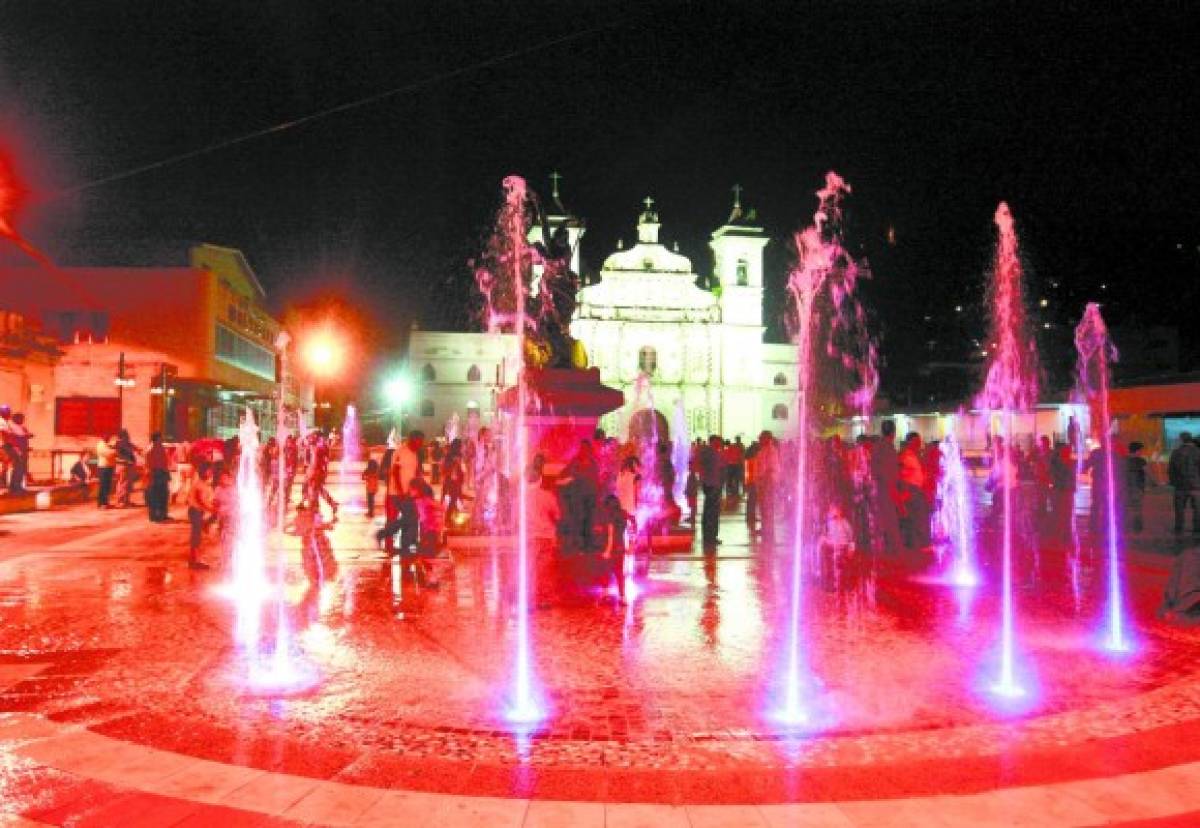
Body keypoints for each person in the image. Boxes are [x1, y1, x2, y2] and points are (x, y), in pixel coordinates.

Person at [560, 439, 600, 551]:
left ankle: (587, 544)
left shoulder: (592, 462)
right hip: (578, 497)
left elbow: (596, 478)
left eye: (587, 448)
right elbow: (566, 473)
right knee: (579, 520)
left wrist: (597, 493)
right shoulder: (576, 461)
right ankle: (579, 544)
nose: (585, 450)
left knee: (589, 520)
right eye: (583, 448)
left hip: (590, 497)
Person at [871, 420, 903, 553]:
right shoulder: (887, 447)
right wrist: (893, 489)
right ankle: (894, 549)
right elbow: (887, 471)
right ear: (893, 432)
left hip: (881, 486)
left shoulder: (879, 446)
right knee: (890, 518)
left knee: (883, 518)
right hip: (886, 487)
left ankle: (885, 548)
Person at [897, 432, 930, 552]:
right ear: (910, 441)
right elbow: (899, 474)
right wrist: (904, 490)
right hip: (910, 489)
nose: (919, 443)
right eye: (916, 441)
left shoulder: (915, 455)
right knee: (916, 517)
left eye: (919, 441)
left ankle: (918, 544)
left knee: (920, 517)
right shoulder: (904, 456)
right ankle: (916, 545)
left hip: (918, 489)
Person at [599, 493, 629, 604]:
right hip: (620, 547)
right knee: (619, 573)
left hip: (612, 548)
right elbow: (629, 529)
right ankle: (622, 597)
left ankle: (605, 594)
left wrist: (607, 550)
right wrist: (630, 546)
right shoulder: (623, 514)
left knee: (605, 571)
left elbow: (611, 534)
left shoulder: (609, 515)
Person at [1168, 432, 1200, 534]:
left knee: (1179, 509)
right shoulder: (1198, 452)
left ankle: (1179, 527)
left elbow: (1171, 470)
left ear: (1181, 439)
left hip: (1180, 486)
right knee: (1197, 509)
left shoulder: (1175, 452)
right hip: (1196, 485)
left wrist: (1173, 482)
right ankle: (1197, 528)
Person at [186, 462, 215, 570]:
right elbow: (201, 501)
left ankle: (194, 559)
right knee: (196, 537)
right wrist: (212, 509)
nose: (210, 472)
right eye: (209, 470)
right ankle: (195, 561)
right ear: (203, 471)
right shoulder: (199, 484)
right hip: (195, 511)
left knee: (197, 536)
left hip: (198, 511)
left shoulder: (203, 483)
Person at [1049, 442, 1077, 547]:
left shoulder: (1069, 462)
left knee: (1068, 514)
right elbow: (1055, 476)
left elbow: (1071, 477)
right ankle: (1059, 536)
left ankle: (1065, 535)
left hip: (1067, 491)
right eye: (1067, 450)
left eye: (1070, 450)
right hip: (1060, 491)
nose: (1069, 452)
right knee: (1060, 514)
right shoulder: (1057, 463)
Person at [698, 435, 725, 546]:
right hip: (712, 485)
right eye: (719, 441)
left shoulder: (711, 452)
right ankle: (710, 536)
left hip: (712, 484)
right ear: (713, 441)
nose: (720, 443)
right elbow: (701, 465)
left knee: (710, 511)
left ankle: (709, 536)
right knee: (711, 512)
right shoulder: (709, 452)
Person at [145, 432, 170, 522]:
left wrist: (167, 473)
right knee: (154, 496)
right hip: (155, 473)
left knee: (164, 495)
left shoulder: (161, 448)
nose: (162, 440)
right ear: (156, 439)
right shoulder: (150, 449)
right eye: (160, 438)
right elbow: (148, 464)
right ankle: (153, 516)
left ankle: (163, 514)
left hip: (162, 472)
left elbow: (164, 461)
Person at [3, 412, 31, 493]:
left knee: (21, 468)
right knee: (18, 467)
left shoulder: (21, 427)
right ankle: (15, 486)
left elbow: (24, 435)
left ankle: (17, 486)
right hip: (15, 449)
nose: (22, 420)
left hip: (22, 449)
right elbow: (12, 437)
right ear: (16, 419)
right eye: (21, 418)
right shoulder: (11, 426)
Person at [1126, 441, 1148, 534]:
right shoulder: (1141, 461)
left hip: (1126, 488)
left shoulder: (1124, 460)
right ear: (1137, 451)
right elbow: (1147, 472)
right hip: (1137, 488)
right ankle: (1137, 527)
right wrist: (1156, 483)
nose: (1141, 452)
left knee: (1126, 507)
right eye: (1141, 450)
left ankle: (1126, 526)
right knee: (1137, 508)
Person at [96, 435, 117, 508]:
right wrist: (115, 451)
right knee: (103, 486)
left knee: (107, 486)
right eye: (107, 437)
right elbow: (108, 454)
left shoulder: (107, 445)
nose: (109, 438)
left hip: (109, 467)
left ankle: (106, 502)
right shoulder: (101, 445)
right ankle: (101, 503)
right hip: (103, 467)